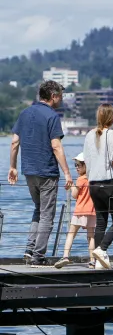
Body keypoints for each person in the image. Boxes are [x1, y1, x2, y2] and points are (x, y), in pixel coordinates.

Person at [8, 80, 73, 267]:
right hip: (47, 172)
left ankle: (29, 250)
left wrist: (12, 167)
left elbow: (14, 142)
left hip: (29, 171)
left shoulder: (25, 113)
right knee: (47, 215)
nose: (61, 99)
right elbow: (56, 146)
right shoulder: (52, 116)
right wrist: (68, 173)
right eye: (60, 95)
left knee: (38, 210)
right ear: (53, 96)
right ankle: (38, 256)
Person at [83, 103, 113, 270]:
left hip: (94, 185)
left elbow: (87, 161)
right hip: (109, 186)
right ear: (111, 118)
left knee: (101, 222)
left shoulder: (89, 134)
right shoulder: (110, 134)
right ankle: (101, 250)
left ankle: (97, 261)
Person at [54, 153, 96, 269]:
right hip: (92, 212)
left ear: (86, 166)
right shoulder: (93, 179)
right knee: (91, 236)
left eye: (79, 165)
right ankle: (92, 260)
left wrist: (71, 184)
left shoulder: (81, 179)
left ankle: (65, 256)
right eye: (75, 165)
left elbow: (74, 195)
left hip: (79, 211)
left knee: (71, 233)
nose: (77, 168)